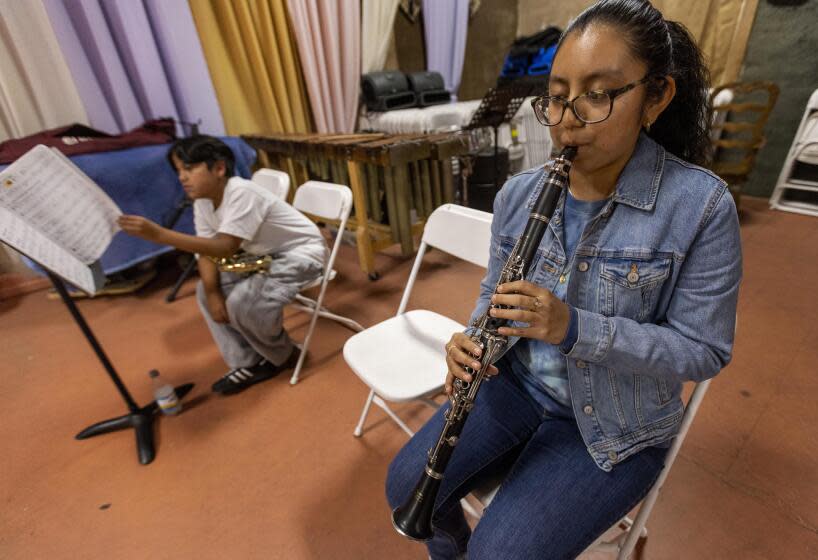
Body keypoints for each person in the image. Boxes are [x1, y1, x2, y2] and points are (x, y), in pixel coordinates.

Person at [385, 1, 742, 558]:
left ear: (656, 97)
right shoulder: (519, 194)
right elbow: (494, 294)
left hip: (616, 424)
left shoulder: (701, 207)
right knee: (404, 486)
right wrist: (472, 338)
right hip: (517, 386)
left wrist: (574, 326)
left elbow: (704, 352)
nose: (565, 119)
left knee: (502, 554)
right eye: (555, 95)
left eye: (597, 94)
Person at [118, 136, 328, 395]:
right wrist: (213, 292)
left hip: (301, 255)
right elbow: (205, 250)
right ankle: (247, 362)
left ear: (218, 168)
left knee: (243, 303)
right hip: (264, 257)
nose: (182, 177)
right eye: (179, 171)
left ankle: (284, 354)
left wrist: (160, 235)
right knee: (205, 291)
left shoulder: (241, 193)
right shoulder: (203, 202)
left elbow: (225, 248)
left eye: (189, 168)